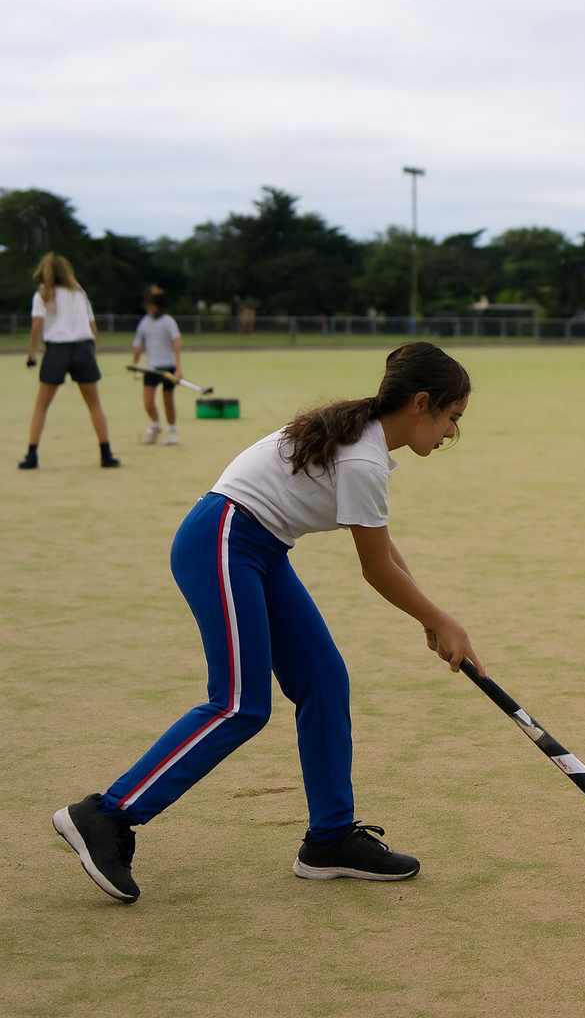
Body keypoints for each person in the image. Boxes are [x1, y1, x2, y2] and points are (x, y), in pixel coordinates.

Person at [52, 342, 482, 903]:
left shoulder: (366, 441)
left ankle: (329, 840)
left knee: (323, 681)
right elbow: (375, 569)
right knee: (239, 703)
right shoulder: (363, 457)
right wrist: (439, 618)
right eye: (453, 418)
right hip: (223, 542)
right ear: (422, 402)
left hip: (257, 550)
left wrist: (432, 616)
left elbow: (384, 547)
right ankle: (108, 814)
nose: (452, 432)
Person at [19, 252, 119, 469]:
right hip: (83, 348)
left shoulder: (43, 294)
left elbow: (37, 325)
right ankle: (106, 453)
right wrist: (95, 350)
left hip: (57, 350)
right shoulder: (79, 294)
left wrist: (31, 353)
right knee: (94, 404)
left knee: (42, 405)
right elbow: (92, 326)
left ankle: (31, 454)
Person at [131, 287, 184, 445]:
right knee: (148, 402)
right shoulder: (145, 322)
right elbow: (138, 344)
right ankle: (155, 425)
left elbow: (176, 344)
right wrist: (135, 363)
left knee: (168, 401)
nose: (150, 308)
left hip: (168, 366)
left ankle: (172, 431)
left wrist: (178, 368)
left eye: (153, 304)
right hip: (151, 367)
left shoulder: (168, 322)